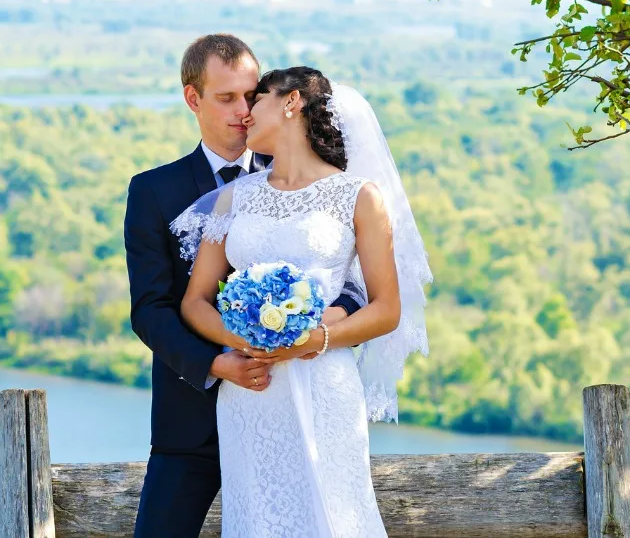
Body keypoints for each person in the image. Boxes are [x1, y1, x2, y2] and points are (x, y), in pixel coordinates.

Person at [173, 66, 431, 536]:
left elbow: (386, 308)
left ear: (291, 103)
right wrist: (247, 340)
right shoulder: (234, 198)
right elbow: (195, 302)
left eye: (258, 99)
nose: (246, 113)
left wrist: (313, 339)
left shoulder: (358, 197)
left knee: (331, 515)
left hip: (324, 382)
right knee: (258, 518)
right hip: (251, 388)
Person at [124, 35, 365, 537]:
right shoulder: (153, 190)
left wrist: (305, 332)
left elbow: (353, 288)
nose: (243, 110)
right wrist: (217, 363)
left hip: (295, 406)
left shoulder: (315, 184)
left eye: (251, 95)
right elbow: (150, 309)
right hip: (190, 421)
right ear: (193, 99)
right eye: (226, 97)